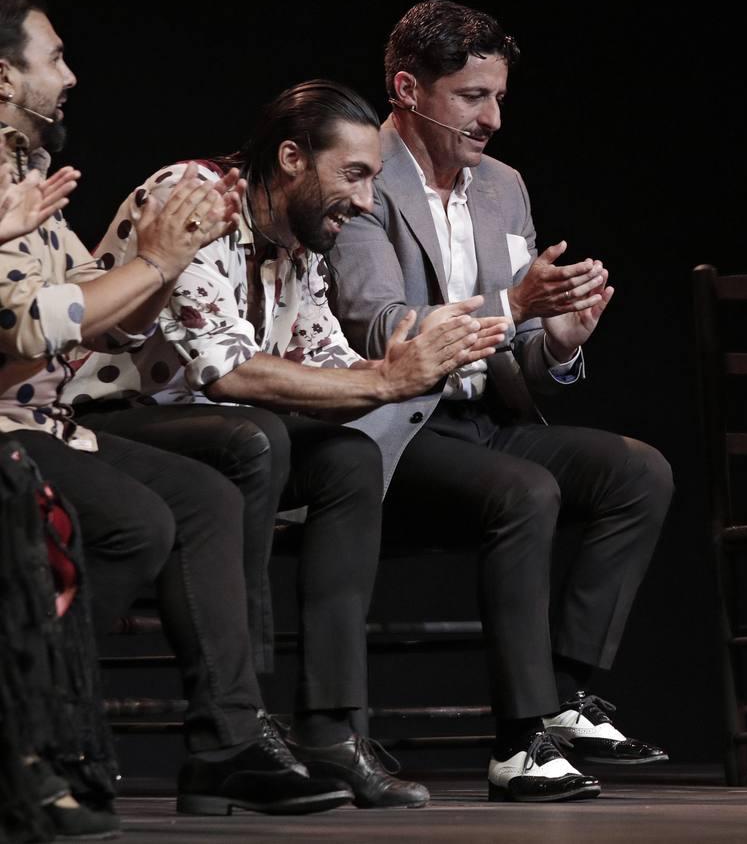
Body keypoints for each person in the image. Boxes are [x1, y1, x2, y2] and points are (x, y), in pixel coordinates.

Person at [65, 79, 508, 809]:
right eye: (356, 175)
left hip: (213, 439)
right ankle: (236, 730)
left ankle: (329, 730)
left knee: (346, 459)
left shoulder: (298, 246)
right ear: (293, 157)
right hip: (103, 418)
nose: (368, 203)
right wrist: (391, 383)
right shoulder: (197, 196)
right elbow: (228, 371)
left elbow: (332, 371)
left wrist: (414, 358)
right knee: (256, 435)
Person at [0, 0, 352, 816]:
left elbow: (91, 307)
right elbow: (24, 326)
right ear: (4, 78)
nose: (71, 75)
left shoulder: (29, 175)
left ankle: (228, 740)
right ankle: (31, 725)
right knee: (140, 521)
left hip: (48, 417)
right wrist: (155, 262)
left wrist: (156, 271)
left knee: (203, 499)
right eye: (55, 57)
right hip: (12, 423)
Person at [332, 0, 674, 803]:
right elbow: (381, 326)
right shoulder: (360, 171)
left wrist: (560, 338)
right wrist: (513, 306)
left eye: (499, 98)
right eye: (472, 97)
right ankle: (518, 744)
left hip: (487, 421)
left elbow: (522, 350)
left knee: (638, 474)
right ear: (408, 88)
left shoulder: (503, 187)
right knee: (527, 491)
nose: (492, 119)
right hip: (392, 430)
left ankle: (560, 695)